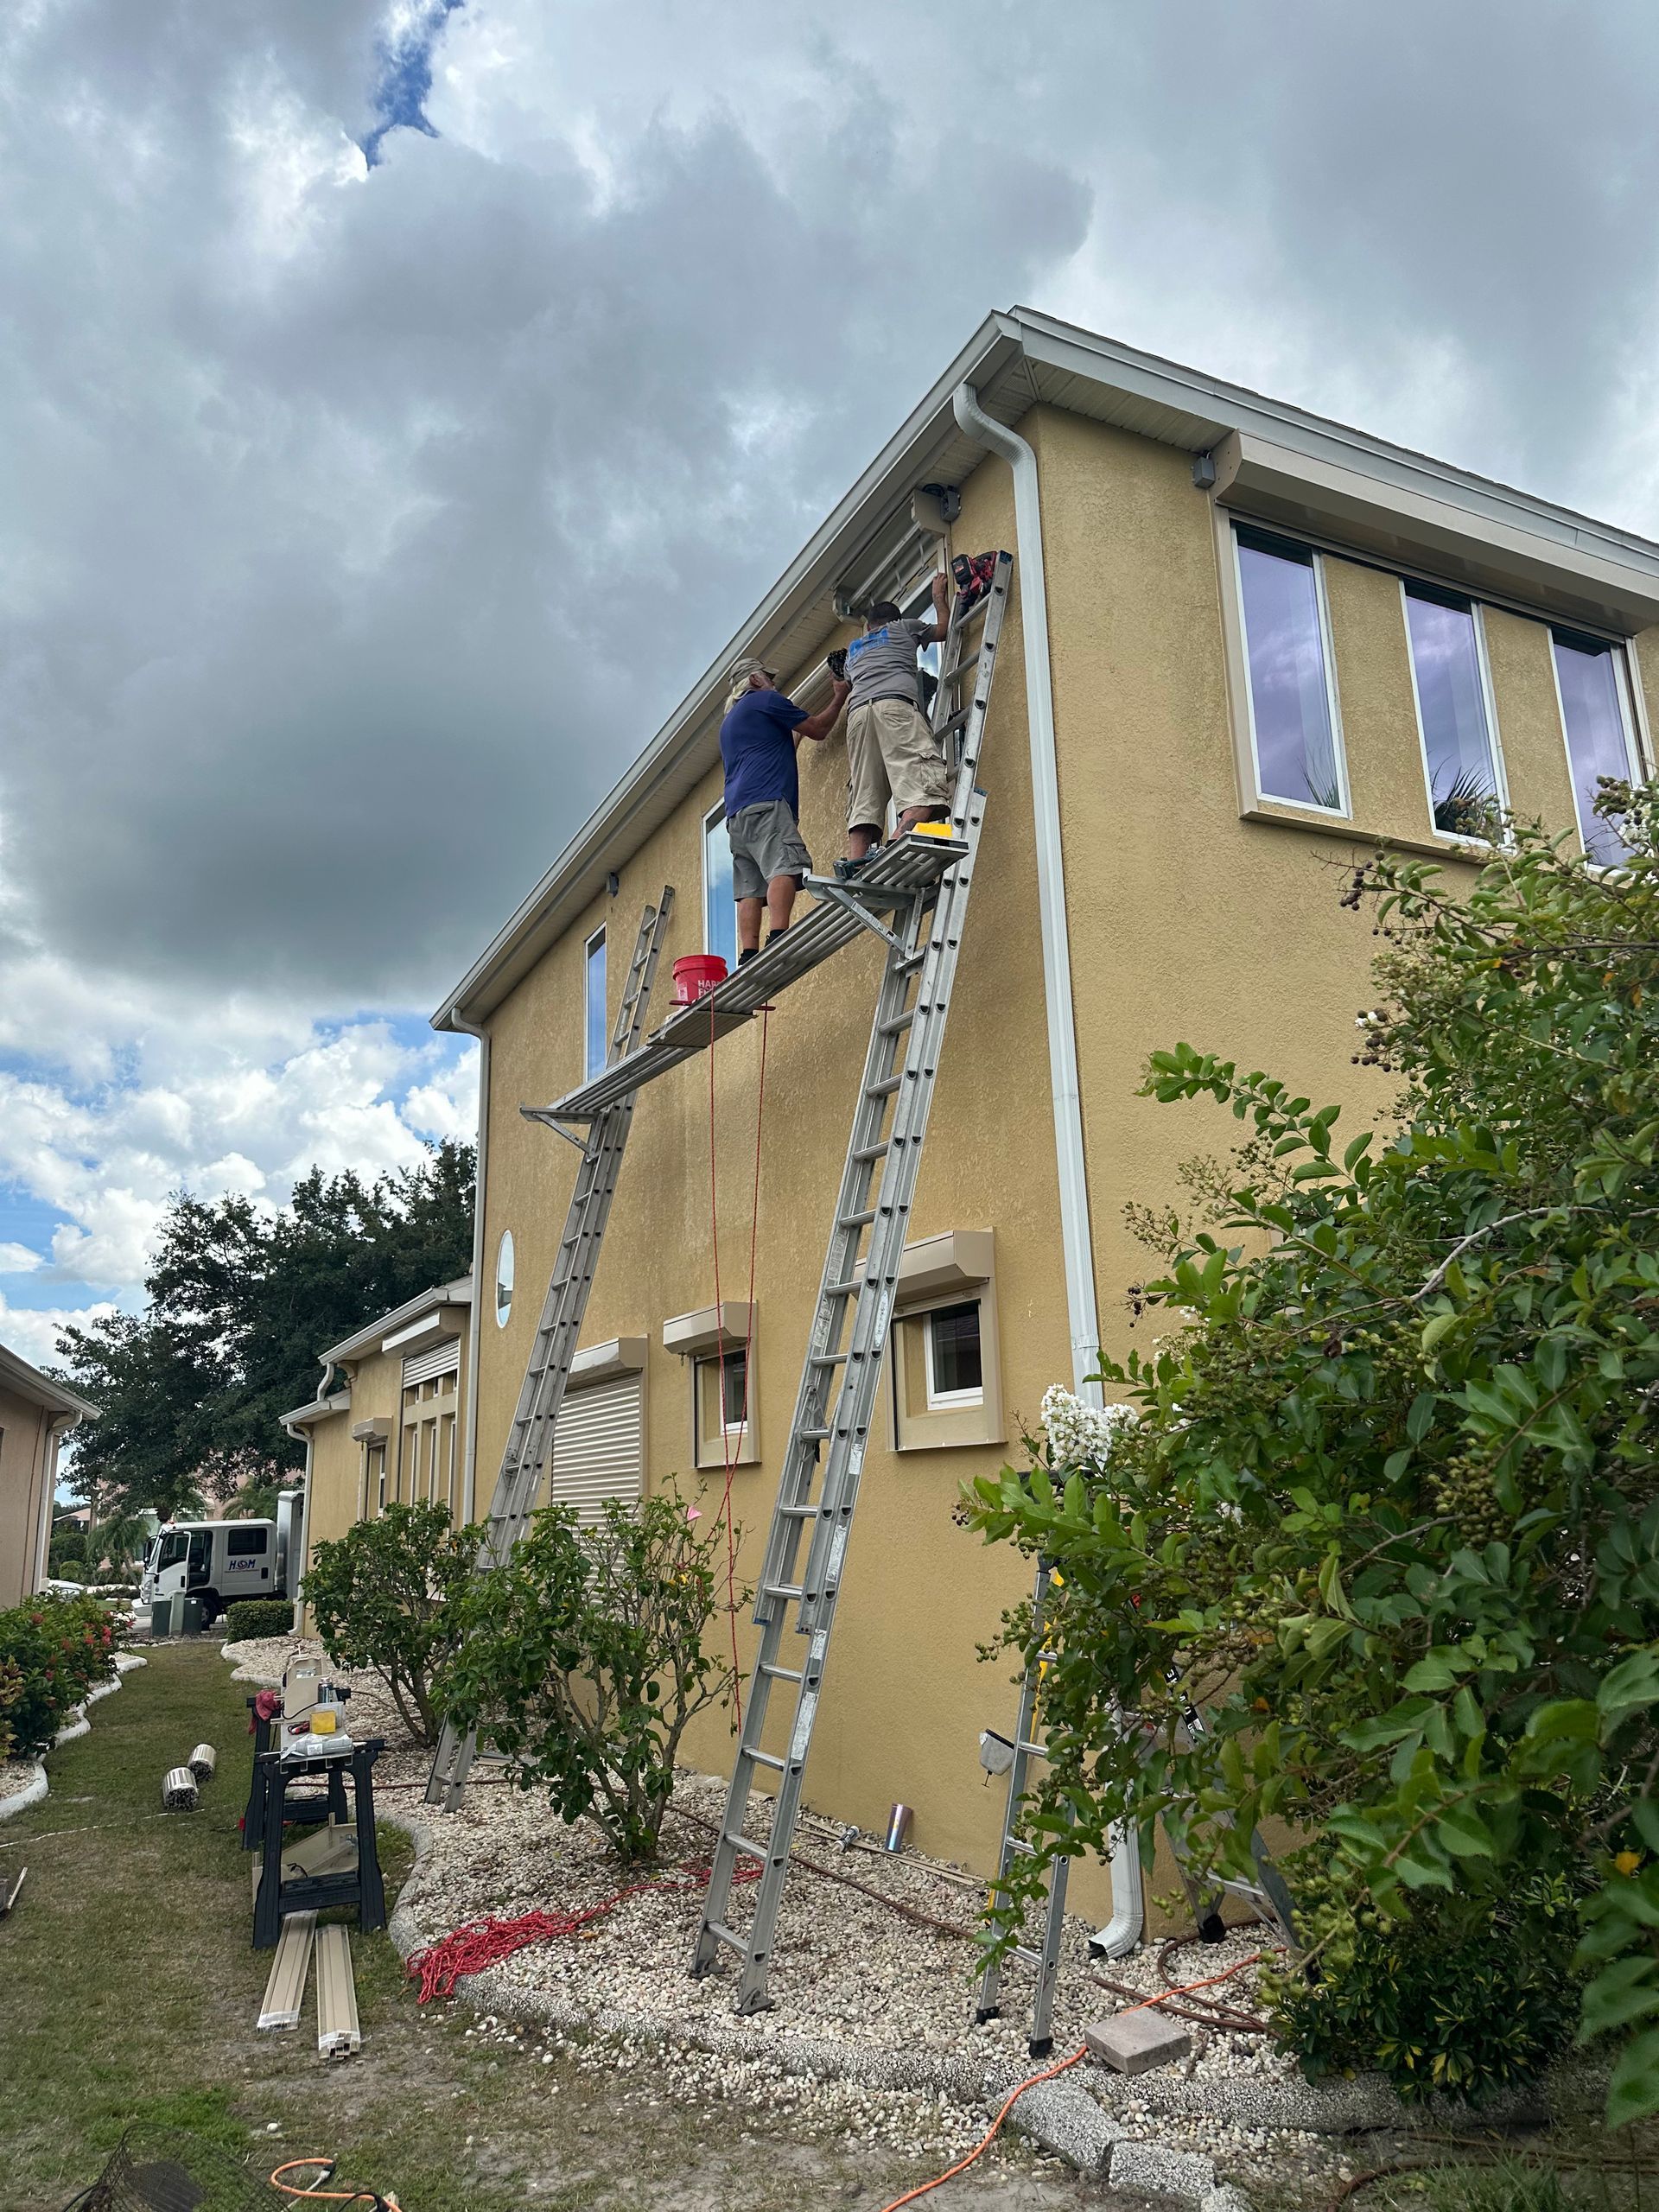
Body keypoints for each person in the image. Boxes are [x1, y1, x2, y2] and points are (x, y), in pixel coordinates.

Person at [718, 655, 850, 963]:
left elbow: (773, 749)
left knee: (750, 886)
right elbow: (818, 729)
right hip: (767, 802)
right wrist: (840, 696)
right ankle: (779, 935)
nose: (773, 683)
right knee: (783, 867)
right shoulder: (765, 700)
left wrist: (795, 732)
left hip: (737, 814)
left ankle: (748, 953)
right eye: (768, 677)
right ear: (754, 680)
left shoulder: (730, 723)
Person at [839, 569, 952, 875]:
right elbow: (944, 631)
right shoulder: (903, 628)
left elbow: (849, 681)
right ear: (894, 619)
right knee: (922, 789)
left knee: (865, 793)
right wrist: (939, 599)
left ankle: (853, 864)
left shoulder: (854, 649)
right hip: (894, 708)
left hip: (859, 716)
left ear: (869, 626)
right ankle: (894, 843)